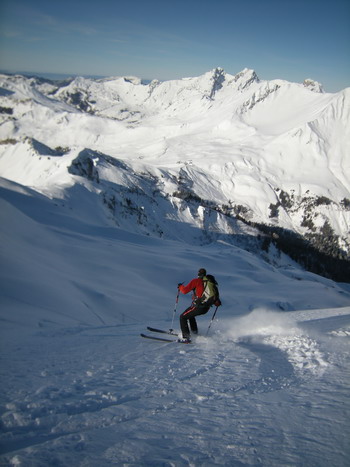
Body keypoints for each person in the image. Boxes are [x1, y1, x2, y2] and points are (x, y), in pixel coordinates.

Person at [178, 268, 217, 342]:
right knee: (190, 315)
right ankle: (194, 333)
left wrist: (180, 287)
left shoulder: (196, 281)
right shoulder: (209, 282)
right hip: (206, 307)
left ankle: (186, 338)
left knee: (182, 317)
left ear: (198, 274)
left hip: (198, 306)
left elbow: (184, 291)